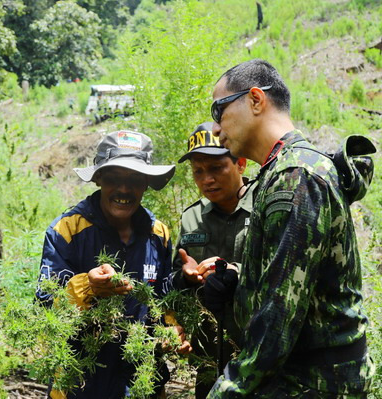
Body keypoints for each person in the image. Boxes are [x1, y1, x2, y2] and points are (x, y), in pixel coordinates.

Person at [192, 58, 374, 397]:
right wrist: (241, 280)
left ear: (256, 100)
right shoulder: (287, 170)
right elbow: (301, 280)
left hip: (313, 383)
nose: (216, 129)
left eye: (220, 111)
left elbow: (280, 313)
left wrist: (227, 390)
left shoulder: (296, 177)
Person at [37, 130, 190, 398]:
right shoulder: (67, 230)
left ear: (146, 184)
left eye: (134, 179)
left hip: (141, 378)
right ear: (98, 179)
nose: (123, 189)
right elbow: (47, 300)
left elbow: (164, 299)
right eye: (113, 178)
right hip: (81, 381)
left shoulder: (159, 234)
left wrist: (172, 329)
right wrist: (88, 286)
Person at [172, 122, 253, 399]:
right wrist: (185, 276)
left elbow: (286, 270)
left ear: (240, 164)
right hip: (210, 360)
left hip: (258, 354)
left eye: (217, 168)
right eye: (198, 171)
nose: (207, 179)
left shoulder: (266, 207)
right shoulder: (191, 218)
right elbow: (174, 282)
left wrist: (237, 272)